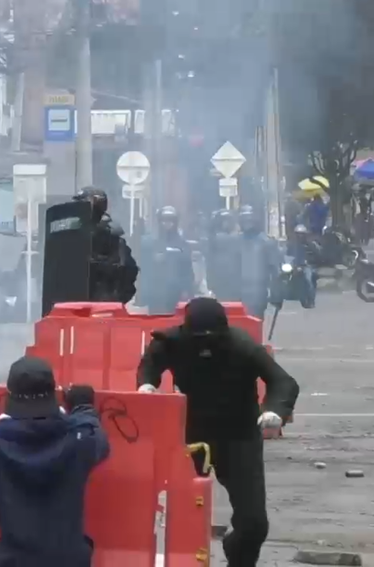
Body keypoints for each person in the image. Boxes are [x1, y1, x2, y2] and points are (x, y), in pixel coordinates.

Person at [136, 297, 299, 567]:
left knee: (254, 523)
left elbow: (283, 381)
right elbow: (150, 364)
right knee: (182, 513)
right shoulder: (172, 341)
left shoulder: (242, 345)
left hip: (239, 434)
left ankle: (238, 557)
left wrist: (274, 411)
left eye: (212, 340)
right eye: (199, 340)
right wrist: (146, 385)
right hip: (190, 434)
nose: (206, 346)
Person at [0, 356, 109, 567]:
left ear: (11, 397)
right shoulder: (77, 439)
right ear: (52, 394)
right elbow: (99, 440)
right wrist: (83, 408)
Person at [74, 187, 138, 304]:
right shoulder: (72, 229)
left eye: (82, 203)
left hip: (101, 299)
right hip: (71, 296)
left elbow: (126, 269)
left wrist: (115, 298)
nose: (78, 207)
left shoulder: (110, 234)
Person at [141, 206, 195, 314]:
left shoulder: (182, 244)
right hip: (156, 292)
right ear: (159, 221)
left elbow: (187, 269)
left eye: (171, 220)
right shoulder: (150, 242)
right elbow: (143, 268)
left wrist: (188, 290)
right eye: (164, 220)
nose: (167, 223)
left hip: (175, 291)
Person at [236, 206, 282, 321]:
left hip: (258, 290)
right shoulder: (235, 241)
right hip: (237, 291)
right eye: (245, 220)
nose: (247, 224)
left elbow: (275, 269)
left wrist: (277, 293)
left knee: (254, 323)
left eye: (250, 220)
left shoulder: (266, 242)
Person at [206, 209, 241, 301]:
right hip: (220, 278)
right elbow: (210, 261)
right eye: (223, 221)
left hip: (234, 279)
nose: (226, 223)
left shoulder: (238, 237)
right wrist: (211, 283)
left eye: (228, 221)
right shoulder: (213, 238)